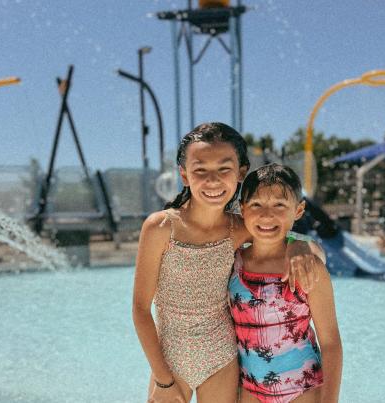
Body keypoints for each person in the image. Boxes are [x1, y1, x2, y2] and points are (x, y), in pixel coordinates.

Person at [132, 123, 325, 403]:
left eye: (224, 169)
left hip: (222, 358)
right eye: (200, 170)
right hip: (171, 358)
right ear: (184, 174)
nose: (213, 180)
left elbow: (304, 244)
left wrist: (300, 245)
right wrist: (163, 380)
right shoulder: (161, 227)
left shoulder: (238, 228)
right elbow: (139, 309)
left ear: (240, 173)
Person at [229, 163, 342, 403]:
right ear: (242, 209)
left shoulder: (309, 268)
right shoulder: (232, 263)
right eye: (256, 204)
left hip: (304, 389)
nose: (267, 215)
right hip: (250, 390)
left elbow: (330, 341)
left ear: (298, 210)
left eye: (279, 205)